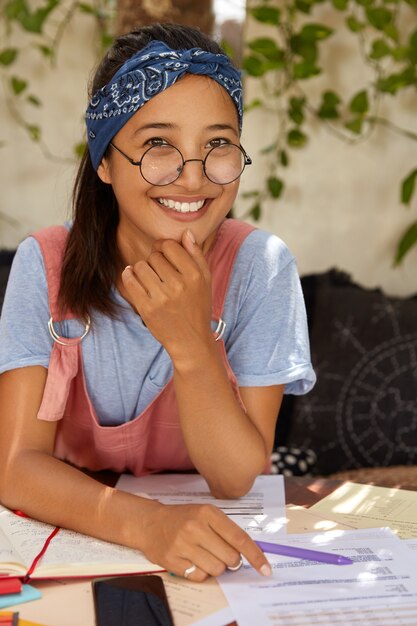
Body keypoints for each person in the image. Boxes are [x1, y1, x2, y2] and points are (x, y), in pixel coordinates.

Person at [0, 23, 315, 581]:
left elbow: (235, 478)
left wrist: (192, 344)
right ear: (104, 162)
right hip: (82, 530)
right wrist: (149, 525)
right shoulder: (43, 264)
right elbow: (18, 467)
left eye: (218, 145)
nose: (192, 176)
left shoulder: (262, 268)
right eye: (157, 145)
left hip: (213, 547)